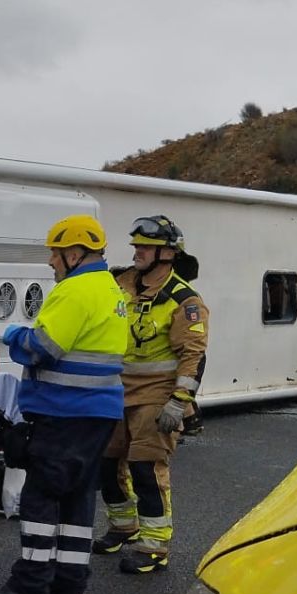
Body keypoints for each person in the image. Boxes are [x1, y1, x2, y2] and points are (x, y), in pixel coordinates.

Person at [0, 215, 129, 594]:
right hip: (100, 412)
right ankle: (70, 580)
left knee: (41, 495)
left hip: (63, 410)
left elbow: (44, 347)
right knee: (78, 495)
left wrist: (13, 334)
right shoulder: (110, 289)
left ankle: (30, 583)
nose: (50, 261)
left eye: (54, 252)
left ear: (75, 253)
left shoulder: (74, 290)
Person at [93, 216, 209, 573]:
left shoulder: (185, 300)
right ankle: (124, 526)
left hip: (156, 396)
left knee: (146, 468)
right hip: (116, 392)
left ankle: (154, 546)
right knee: (106, 465)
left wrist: (179, 402)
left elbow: (194, 355)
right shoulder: (120, 283)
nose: (136, 251)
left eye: (144, 246)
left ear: (168, 253)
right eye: (136, 245)